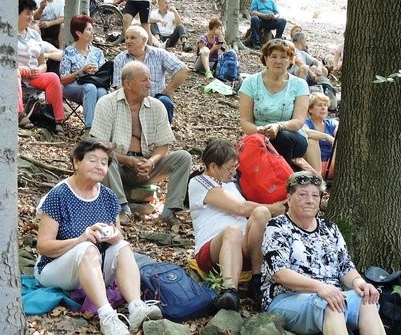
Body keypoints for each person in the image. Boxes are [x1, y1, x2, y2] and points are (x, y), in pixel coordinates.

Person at [34, 138, 162, 335]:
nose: (99, 166)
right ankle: (107, 316)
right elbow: (42, 247)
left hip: (94, 267)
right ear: (77, 162)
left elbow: (117, 235)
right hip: (55, 267)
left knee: (123, 246)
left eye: (104, 162)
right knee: (86, 248)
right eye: (92, 160)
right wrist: (80, 239)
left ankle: (136, 307)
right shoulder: (58, 195)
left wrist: (113, 236)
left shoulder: (109, 196)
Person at [261, 171, 386, 335]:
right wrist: (320, 288)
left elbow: (345, 267)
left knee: (366, 299)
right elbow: (280, 274)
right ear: (289, 199)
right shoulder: (277, 227)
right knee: (330, 303)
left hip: (330, 296)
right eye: (303, 194)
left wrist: (359, 283)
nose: (310, 200)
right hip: (286, 298)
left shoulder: (330, 228)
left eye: (315, 195)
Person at [188, 139, 286, 311]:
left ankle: (257, 279)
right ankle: (229, 290)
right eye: (229, 168)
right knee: (232, 231)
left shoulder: (231, 184)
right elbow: (240, 208)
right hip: (212, 249)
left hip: (243, 247)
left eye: (235, 167)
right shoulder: (199, 182)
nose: (233, 172)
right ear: (213, 167)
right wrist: (274, 208)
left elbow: (252, 208)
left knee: (261, 213)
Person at [91, 61, 192, 225]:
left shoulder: (157, 106)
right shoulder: (107, 103)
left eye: (150, 80)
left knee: (183, 157)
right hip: (117, 167)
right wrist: (129, 161)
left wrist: (151, 162)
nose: (149, 84)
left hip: (146, 167)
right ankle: (122, 208)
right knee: (102, 156)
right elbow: (100, 145)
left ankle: (169, 211)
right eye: (144, 80)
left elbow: (163, 144)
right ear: (128, 84)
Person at [239, 39, 309, 169]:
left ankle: (283, 181)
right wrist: (259, 130)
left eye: (283, 57)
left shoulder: (300, 84)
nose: (278, 61)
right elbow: (245, 122)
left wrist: (278, 126)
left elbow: (299, 121)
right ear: (265, 59)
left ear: (290, 60)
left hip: (291, 135)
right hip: (258, 135)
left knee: (282, 138)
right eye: (273, 56)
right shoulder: (250, 83)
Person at [112, 25, 189, 122]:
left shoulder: (159, 54)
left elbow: (182, 70)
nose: (128, 41)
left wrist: (167, 92)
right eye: (126, 38)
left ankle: (163, 135)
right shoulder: (120, 59)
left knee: (165, 102)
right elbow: (118, 85)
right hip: (131, 99)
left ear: (144, 40)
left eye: (132, 38)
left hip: (156, 97)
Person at [18, 0, 65, 134]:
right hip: (15, 74)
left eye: (32, 14)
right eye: (28, 14)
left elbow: (42, 62)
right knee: (14, 73)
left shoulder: (34, 35)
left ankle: (56, 119)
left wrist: (39, 70)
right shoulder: (8, 34)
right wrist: (21, 70)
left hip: (33, 75)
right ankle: (20, 114)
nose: (31, 17)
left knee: (53, 77)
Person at [60, 15, 107, 138]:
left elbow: (103, 75)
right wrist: (80, 72)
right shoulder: (69, 52)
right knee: (90, 88)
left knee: (102, 92)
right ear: (79, 33)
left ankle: (102, 131)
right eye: (89, 29)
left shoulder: (98, 52)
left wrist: (96, 71)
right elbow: (63, 79)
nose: (93, 32)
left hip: (95, 84)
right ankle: (89, 129)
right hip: (72, 86)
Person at [303, 93, 338, 179]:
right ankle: (318, 178)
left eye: (325, 105)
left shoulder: (332, 123)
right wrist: (327, 137)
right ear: (310, 109)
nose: (323, 108)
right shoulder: (306, 123)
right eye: (319, 105)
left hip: (332, 164)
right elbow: (304, 131)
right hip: (313, 167)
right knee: (312, 140)